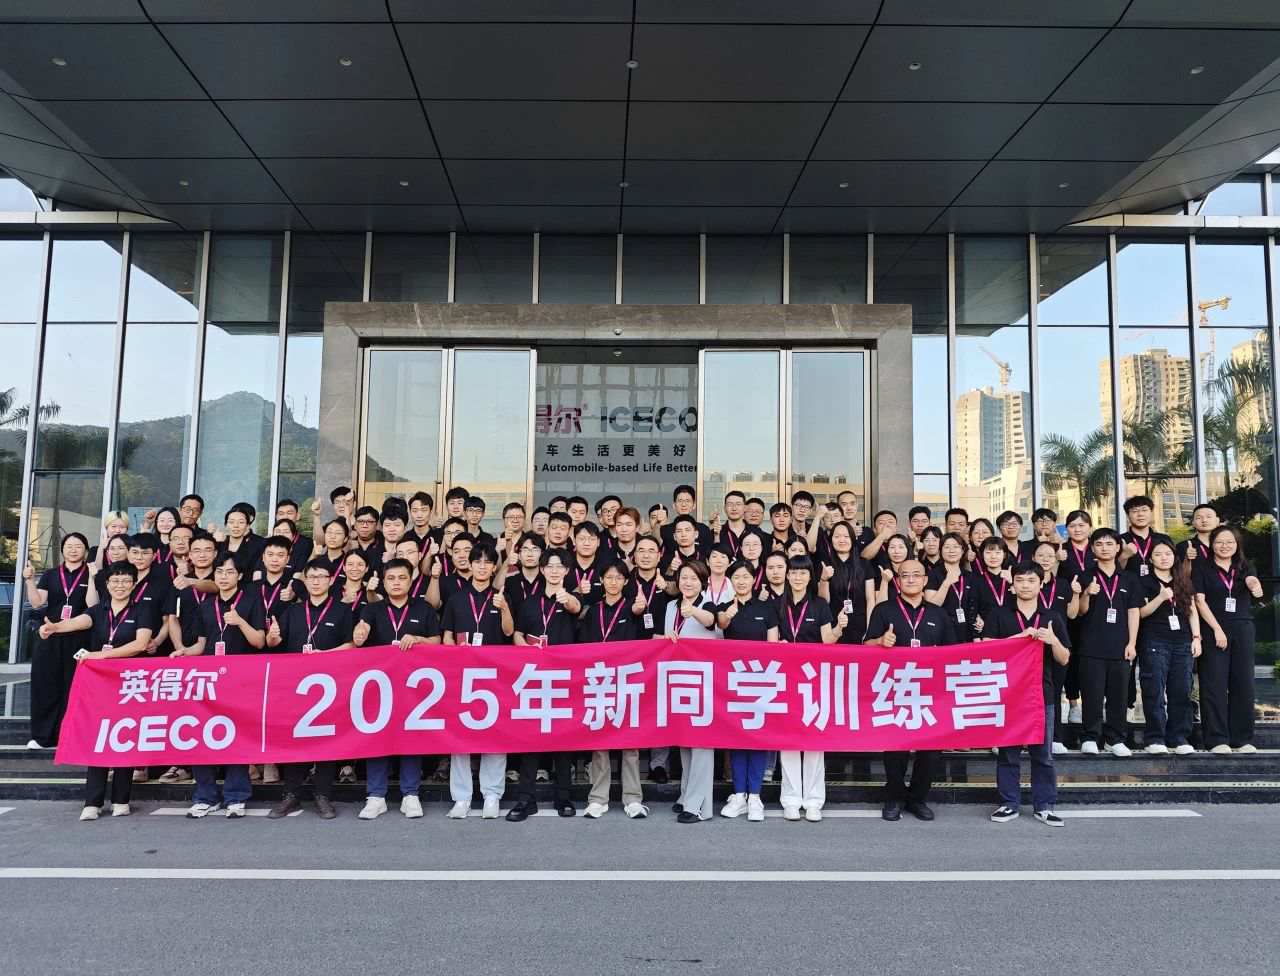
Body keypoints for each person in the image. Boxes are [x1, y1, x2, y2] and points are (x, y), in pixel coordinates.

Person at [38, 560, 153, 820]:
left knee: (126, 738)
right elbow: (77, 622)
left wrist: (99, 655)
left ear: (134, 584)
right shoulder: (98, 610)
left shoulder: (143, 610)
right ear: (107, 585)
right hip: (100, 684)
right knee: (99, 737)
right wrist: (54, 627)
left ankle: (121, 799)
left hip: (130, 684)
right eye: (115, 581)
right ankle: (93, 801)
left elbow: (140, 644)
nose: (120, 585)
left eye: (126, 581)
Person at [864, 558, 957, 822]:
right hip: (895, 688)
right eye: (905, 575)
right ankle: (894, 797)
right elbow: (865, 645)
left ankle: (917, 799)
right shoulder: (884, 610)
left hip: (931, 691)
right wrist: (880, 641)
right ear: (898, 580)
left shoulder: (938, 614)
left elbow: (954, 652)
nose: (911, 579)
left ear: (925, 580)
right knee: (895, 747)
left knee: (931, 750)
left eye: (917, 575)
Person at [981, 562, 1070, 827]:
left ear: (1041, 584)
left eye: (1031, 581)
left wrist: (1053, 641)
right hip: (1008, 694)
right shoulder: (999, 614)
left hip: (1042, 694)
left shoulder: (1052, 617)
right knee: (1008, 754)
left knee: (1043, 754)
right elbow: (985, 648)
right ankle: (1009, 803)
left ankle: (1045, 806)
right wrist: (1020, 637)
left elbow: (1064, 658)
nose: (1025, 585)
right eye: (1020, 580)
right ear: (1012, 584)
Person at [177, 552, 266, 817]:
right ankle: (205, 796)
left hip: (240, 679)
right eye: (219, 572)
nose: (224, 577)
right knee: (203, 735)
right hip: (209, 679)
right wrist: (183, 653)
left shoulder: (251, 600)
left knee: (236, 736)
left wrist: (240, 622)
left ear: (240, 575)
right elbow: (202, 645)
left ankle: (236, 796)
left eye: (229, 572)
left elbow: (259, 641)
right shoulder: (206, 605)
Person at [353, 557, 442, 819]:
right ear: (383, 581)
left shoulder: (424, 609)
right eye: (391, 578)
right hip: (379, 686)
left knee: (411, 737)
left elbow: (437, 641)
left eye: (402, 578)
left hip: (413, 687)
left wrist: (418, 639)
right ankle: (376, 796)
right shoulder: (372, 609)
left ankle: (410, 794)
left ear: (411, 580)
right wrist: (360, 633)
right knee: (377, 736)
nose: (396, 583)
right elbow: (361, 632)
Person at [266, 559, 355, 819]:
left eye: (321, 576)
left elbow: (351, 645)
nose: (316, 581)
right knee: (295, 739)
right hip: (297, 687)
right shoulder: (293, 611)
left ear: (331, 580)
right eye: (311, 577)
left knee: (327, 741)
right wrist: (272, 637)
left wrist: (324, 655)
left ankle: (323, 795)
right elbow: (275, 643)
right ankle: (291, 794)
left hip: (331, 685)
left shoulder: (342, 611)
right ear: (304, 580)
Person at [441, 543, 514, 818]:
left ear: (494, 567)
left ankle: (492, 794)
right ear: (470, 565)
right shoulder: (457, 599)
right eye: (478, 562)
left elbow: (509, 632)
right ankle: (462, 797)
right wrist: (454, 655)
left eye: (487, 563)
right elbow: (447, 636)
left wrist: (504, 609)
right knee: (460, 735)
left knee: (496, 733)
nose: (482, 567)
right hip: (463, 675)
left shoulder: (501, 597)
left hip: (495, 674)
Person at [509, 548, 580, 821]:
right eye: (549, 566)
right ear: (541, 570)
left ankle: (564, 797)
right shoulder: (530, 602)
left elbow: (576, 608)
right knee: (530, 738)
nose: (554, 570)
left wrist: (568, 599)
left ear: (566, 571)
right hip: (534, 677)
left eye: (559, 566)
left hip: (563, 678)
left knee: (563, 738)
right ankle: (526, 799)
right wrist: (525, 650)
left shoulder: (570, 599)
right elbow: (517, 634)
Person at [578, 560, 647, 820]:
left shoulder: (633, 609)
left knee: (630, 743)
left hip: (627, 680)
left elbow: (647, 642)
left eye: (619, 578)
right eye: (609, 577)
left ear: (626, 582)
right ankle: (598, 799)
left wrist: (642, 612)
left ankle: (633, 798)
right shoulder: (592, 611)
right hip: (600, 680)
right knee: (600, 743)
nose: (613, 582)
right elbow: (583, 645)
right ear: (602, 581)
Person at [775, 554, 839, 822]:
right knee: (788, 739)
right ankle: (791, 799)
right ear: (787, 575)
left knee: (814, 739)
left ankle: (813, 801)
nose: (797, 577)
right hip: (785, 678)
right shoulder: (777, 604)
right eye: (793, 572)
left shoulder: (820, 605)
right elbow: (770, 640)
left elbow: (827, 641)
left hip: (814, 678)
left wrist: (839, 629)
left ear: (810, 576)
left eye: (803, 573)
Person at [716, 559, 780, 822]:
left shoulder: (767, 608)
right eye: (737, 577)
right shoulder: (725, 607)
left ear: (754, 579)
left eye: (746, 576)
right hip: (734, 682)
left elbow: (773, 644)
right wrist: (727, 615)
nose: (741, 581)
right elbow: (720, 624)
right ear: (730, 581)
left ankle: (755, 796)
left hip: (761, 681)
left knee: (757, 739)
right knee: (737, 741)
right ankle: (739, 794)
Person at [1192, 526, 1262, 754]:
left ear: (1237, 544)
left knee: (1243, 683)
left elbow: (1252, 581)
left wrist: (1254, 585)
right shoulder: (1201, 568)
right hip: (1214, 630)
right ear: (1212, 544)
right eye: (1220, 542)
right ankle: (1216, 739)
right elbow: (1199, 601)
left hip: (1242, 628)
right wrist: (1216, 629)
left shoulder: (1244, 566)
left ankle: (1242, 739)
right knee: (1214, 685)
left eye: (1230, 542)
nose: (1225, 546)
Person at [662, 560, 719, 824]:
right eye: (683, 577)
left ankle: (699, 806)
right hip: (678, 681)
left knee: (702, 744)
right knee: (684, 741)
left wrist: (693, 611)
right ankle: (686, 795)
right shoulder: (670, 607)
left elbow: (710, 621)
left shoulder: (709, 605)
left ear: (702, 582)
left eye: (694, 578)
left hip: (704, 683)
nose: (687, 582)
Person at [1074, 528, 1140, 757]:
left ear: (1118, 547)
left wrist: (1132, 643)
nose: (1104, 548)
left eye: (1109, 543)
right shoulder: (1085, 576)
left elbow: (1133, 612)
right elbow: (1080, 612)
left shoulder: (1129, 578)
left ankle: (1115, 739)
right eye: (1099, 544)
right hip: (1090, 645)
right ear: (1092, 548)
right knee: (1091, 694)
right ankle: (1090, 737)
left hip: (1120, 645)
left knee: (1118, 696)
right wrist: (1086, 594)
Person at [24, 532, 92, 749]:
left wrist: (92, 577)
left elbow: (92, 604)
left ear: (86, 550)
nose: (73, 550)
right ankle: (42, 737)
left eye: (78, 546)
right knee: (46, 685)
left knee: (73, 687)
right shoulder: (51, 574)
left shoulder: (91, 573)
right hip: (50, 635)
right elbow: (37, 602)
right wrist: (29, 580)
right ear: (62, 549)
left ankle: (69, 737)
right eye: (69, 546)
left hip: (79, 637)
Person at [1137, 540, 1200, 755]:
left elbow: (1192, 610)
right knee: (1154, 690)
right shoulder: (1144, 581)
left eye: (1168, 554)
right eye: (1158, 554)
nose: (1164, 558)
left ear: (1174, 557)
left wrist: (1196, 637)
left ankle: (1179, 737)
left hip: (1182, 641)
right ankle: (1155, 737)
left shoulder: (1183, 580)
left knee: (1182, 690)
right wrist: (1161, 598)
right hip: (1154, 641)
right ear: (1150, 558)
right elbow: (1140, 613)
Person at [817, 520, 867, 644]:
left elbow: (870, 599)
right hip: (833, 623)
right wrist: (824, 579)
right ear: (831, 540)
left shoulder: (864, 563)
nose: (842, 540)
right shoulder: (825, 565)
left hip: (860, 622)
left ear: (852, 538)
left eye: (846, 536)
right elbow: (823, 601)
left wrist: (870, 629)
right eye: (837, 536)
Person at [925, 532, 978, 641]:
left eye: (956, 547)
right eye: (947, 547)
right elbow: (931, 607)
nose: (951, 551)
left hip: (967, 630)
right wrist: (946, 583)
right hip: (942, 629)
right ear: (940, 550)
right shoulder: (933, 574)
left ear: (962, 550)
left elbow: (975, 605)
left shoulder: (970, 576)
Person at [1118, 495, 1172, 577]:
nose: (1140, 514)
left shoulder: (1164, 539)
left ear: (1151, 512)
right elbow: (1111, 572)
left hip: (1158, 584)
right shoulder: (1120, 540)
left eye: (1144, 510)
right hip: (1130, 584)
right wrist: (1124, 556)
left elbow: (1174, 567)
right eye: (1135, 511)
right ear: (1127, 515)